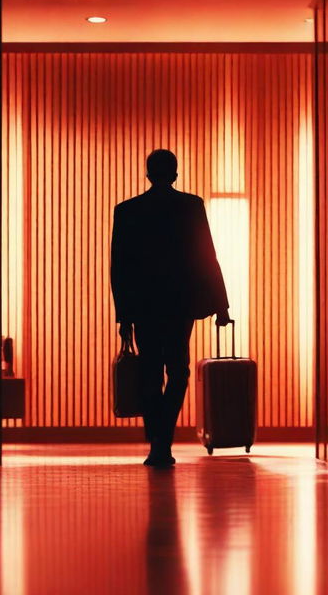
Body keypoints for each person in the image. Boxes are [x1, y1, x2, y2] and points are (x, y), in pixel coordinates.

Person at [111, 149, 230, 467]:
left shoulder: (127, 211)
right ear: (175, 173)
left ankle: (158, 441)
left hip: (144, 305)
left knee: (150, 371)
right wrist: (221, 305)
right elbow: (208, 255)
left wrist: (123, 314)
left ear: (147, 174)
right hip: (180, 304)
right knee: (178, 371)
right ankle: (163, 438)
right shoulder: (191, 206)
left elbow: (119, 267)